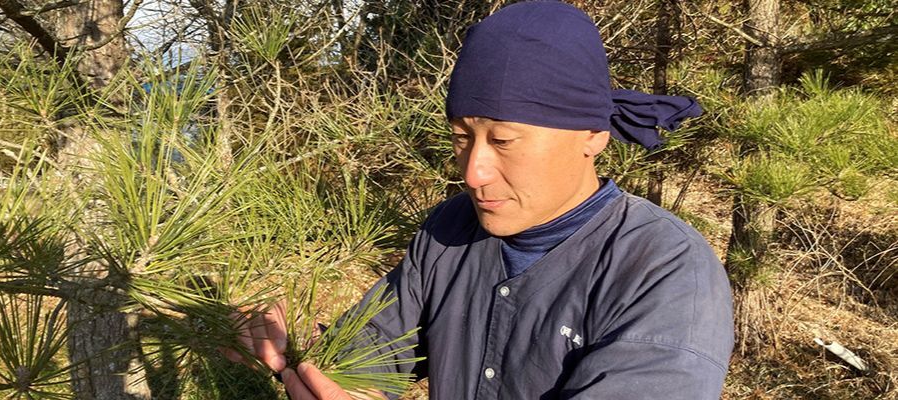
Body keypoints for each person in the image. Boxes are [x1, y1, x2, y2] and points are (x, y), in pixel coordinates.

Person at [225, 1, 734, 399]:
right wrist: (307, 355)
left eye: (504, 140)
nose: (472, 172)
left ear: (591, 135)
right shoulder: (450, 230)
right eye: (462, 137)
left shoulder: (664, 271)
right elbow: (378, 347)